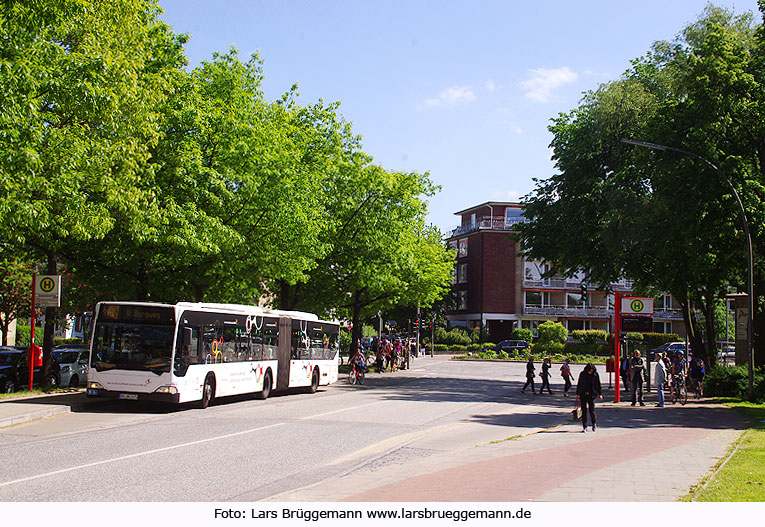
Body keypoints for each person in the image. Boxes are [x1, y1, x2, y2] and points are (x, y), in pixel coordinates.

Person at [576, 363, 603, 432]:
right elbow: (579, 383)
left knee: (592, 410)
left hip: (592, 394)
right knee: (584, 411)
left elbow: (598, 385)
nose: (590, 372)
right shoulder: (582, 374)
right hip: (583, 394)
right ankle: (584, 426)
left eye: (591, 370)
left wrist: (600, 394)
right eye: (589, 371)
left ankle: (594, 424)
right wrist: (577, 393)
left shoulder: (595, 375)